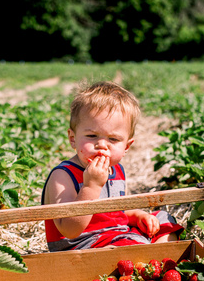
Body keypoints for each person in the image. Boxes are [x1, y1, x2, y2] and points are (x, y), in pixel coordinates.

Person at [41, 81, 182, 251]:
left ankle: (156, 258)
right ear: (73, 138)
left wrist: (138, 216)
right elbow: (70, 229)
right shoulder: (63, 176)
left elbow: (115, 215)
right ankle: (152, 260)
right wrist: (91, 186)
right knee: (131, 245)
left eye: (113, 139)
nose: (102, 145)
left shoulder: (117, 170)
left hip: (116, 235)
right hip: (83, 245)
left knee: (163, 219)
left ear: (126, 147)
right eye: (92, 135)